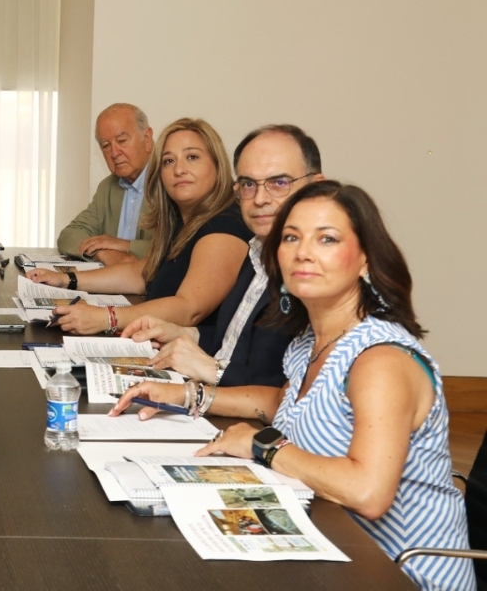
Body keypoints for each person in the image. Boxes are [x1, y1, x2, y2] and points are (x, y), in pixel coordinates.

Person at [112, 181, 474, 591]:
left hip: (398, 573)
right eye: (291, 237)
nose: (303, 252)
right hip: (326, 548)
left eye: (327, 239)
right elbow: (284, 403)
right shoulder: (310, 343)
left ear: (365, 260)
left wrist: (264, 446)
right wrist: (188, 394)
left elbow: (368, 492)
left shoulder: (380, 361)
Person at [121, 125, 323, 387]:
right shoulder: (256, 253)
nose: (260, 198)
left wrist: (209, 374)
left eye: (279, 183)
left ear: (317, 187)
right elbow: (236, 343)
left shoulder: (322, 274)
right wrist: (186, 334)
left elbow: (294, 392)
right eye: (249, 184)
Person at [27, 118, 248, 335]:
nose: (179, 169)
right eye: (168, 161)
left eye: (192, 157)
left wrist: (105, 317)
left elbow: (189, 309)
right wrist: (67, 279)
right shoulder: (182, 221)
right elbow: (140, 274)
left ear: (217, 165)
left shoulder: (225, 226)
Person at [56, 103, 154, 265]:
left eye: (122, 140)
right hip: (112, 285)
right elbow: (69, 235)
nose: (114, 153)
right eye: (106, 146)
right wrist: (102, 252)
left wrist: (125, 247)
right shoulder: (108, 187)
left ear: (147, 139)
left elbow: (179, 248)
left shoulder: (172, 181)